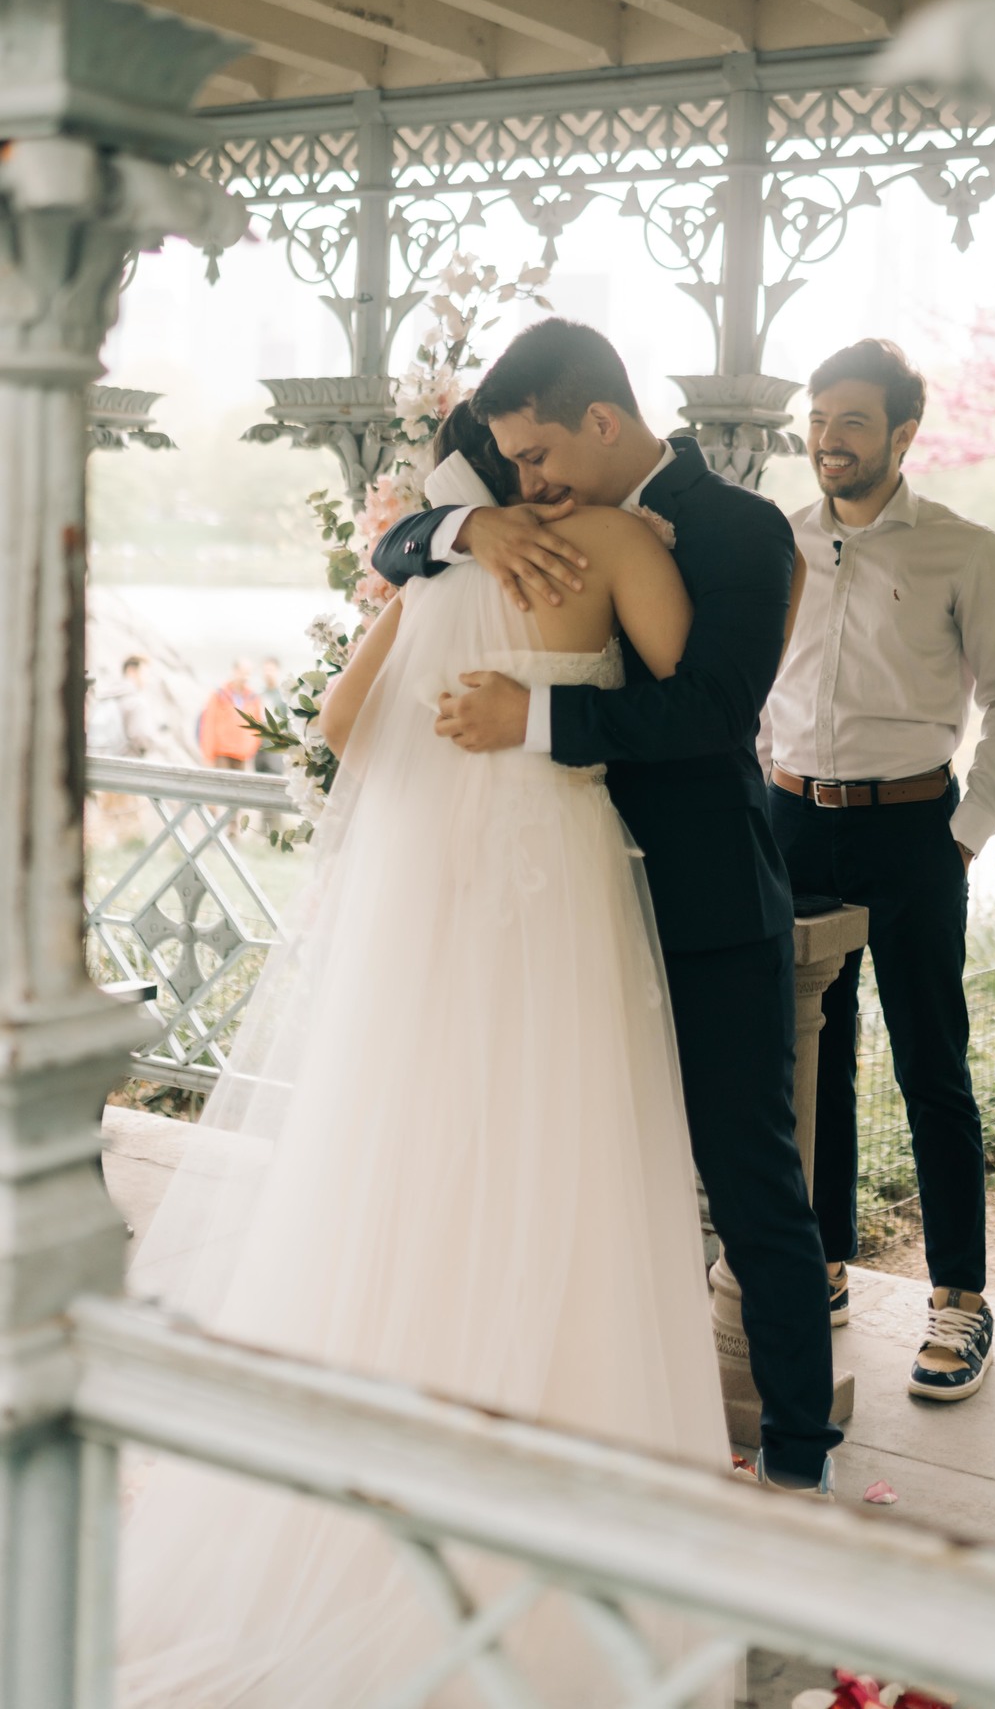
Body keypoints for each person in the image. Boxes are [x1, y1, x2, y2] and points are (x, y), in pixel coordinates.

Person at [117, 419, 739, 1707]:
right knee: (563, 1168)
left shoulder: (431, 568)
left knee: (408, 1168)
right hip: (552, 889)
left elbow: (343, 725)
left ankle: (377, 1490)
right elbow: (703, 696)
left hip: (431, 917)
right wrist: (551, 707)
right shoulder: (623, 542)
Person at [373, 318, 840, 1495]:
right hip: (557, 909)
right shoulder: (523, 511)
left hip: (703, 906)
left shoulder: (740, 528)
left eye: (535, 459)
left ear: (598, 419)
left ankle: (797, 1459)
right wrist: (465, 522)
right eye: (511, 470)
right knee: (569, 1168)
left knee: (750, 1182)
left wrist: (532, 718)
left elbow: (713, 712)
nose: (527, 484)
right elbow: (394, 552)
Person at [765, 338, 995, 1402]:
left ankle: (960, 1300)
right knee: (810, 1056)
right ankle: (824, 1264)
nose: (828, 440)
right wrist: (763, 785)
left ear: (902, 434)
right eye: (819, 418)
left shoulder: (966, 551)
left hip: (913, 829)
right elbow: (758, 681)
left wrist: (968, 828)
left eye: (851, 422)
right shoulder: (781, 542)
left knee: (934, 1063)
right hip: (794, 825)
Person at [198, 658, 262, 771]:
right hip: (222, 754)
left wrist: (251, 749)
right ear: (235, 671)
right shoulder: (219, 695)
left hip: (243, 755)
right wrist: (208, 755)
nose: (245, 677)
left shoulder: (254, 698)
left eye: (248, 673)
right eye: (242, 672)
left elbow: (258, 726)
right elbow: (208, 725)